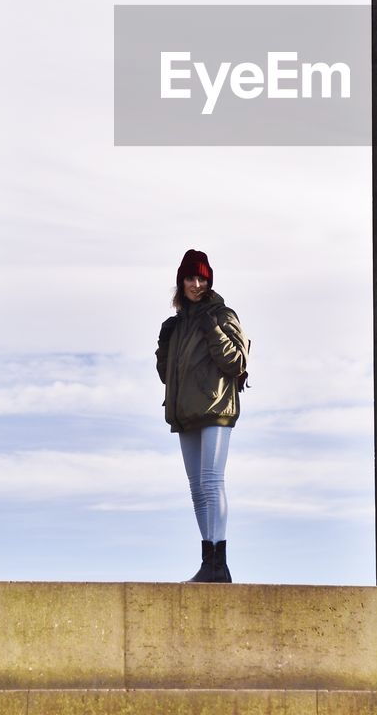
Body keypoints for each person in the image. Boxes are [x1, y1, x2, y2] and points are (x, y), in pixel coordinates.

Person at [155, 248, 249, 583]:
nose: (196, 284)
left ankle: (219, 562)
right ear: (180, 282)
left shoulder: (222, 315)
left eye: (202, 278)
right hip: (186, 411)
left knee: (211, 482)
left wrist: (213, 330)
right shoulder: (176, 326)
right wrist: (163, 347)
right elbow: (168, 375)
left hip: (216, 408)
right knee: (196, 488)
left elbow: (238, 363)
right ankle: (208, 563)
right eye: (190, 278)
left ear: (209, 280)